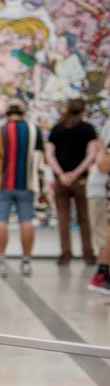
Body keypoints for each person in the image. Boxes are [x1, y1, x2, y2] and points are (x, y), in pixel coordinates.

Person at [0, 102, 43, 276]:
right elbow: (40, 158)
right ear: (23, 113)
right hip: (27, 183)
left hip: (2, 184)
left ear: (7, 114)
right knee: (26, 221)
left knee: (1, 221)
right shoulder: (35, 131)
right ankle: (26, 263)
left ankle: (1, 262)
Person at [47, 98, 100, 265]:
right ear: (83, 111)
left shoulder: (57, 129)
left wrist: (61, 174)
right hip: (82, 180)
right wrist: (76, 173)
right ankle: (88, 255)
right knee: (84, 218)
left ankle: (65, 254)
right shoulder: (88, 129)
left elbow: (49, 154)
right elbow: (91, 155)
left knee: (63, 218)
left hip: (60, 181)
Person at [90, 123, 110, 292]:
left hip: (101, 189)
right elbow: (103, 164)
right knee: (105, 233)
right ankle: (102, 275)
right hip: (101, 190)